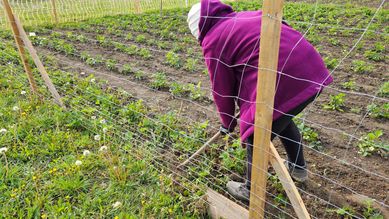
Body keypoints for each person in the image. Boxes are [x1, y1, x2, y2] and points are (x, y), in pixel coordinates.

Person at [187, 0, 333, 202]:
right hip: (310, 69)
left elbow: (222, 89)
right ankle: (298, 169)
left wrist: (227, 122)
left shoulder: (213, 40)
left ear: (199, 31)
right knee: (281, 115)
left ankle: (251, 190)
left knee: (257, 134)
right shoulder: (243, 16)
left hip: (284, 79)